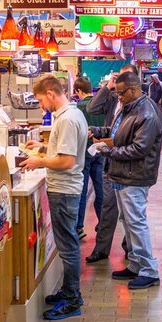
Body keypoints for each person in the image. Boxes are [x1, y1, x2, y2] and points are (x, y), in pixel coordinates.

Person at [20, 75, 89, 321]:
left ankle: (72, 301)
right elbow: (62, 151)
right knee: (67, 245)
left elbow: (67, 161)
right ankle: (68, 292)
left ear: (51, 93)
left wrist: (39, 160)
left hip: (65, 190)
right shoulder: (69, 115)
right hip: (64, 189)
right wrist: (42, 148)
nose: (40, 105)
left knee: (68, 247)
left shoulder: (67, 119)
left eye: (40, 99)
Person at [90, 70, 162, 289]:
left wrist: (107, 151)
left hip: (135, 176)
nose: (118, 97)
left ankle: (149, 270)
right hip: (123, 174)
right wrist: (97, 131)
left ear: (133, 89)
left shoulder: (146, 113)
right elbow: (118, 134)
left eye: (121, 93)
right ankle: (135, 264)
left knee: (136, 223)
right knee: (129, 223)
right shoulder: (130, 109)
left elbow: (139, 149)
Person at [87, 66, 136, 264]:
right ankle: (101, 249)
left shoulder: (138, 106)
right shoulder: (113, 97)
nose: (119, 84)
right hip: (110, 159)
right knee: (108, 207)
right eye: (118, 77)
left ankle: (129, 249)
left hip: (127, 164)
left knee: (129, 212)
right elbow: (92, 108)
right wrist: (108, 87)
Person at [74, 76, 110, 241]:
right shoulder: (102, 105)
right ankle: (103, 223)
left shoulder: (79, 107)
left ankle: (79, 226)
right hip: (100, 149)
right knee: (100, 189)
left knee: (82, 190)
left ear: (78, 91)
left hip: (83, 152)